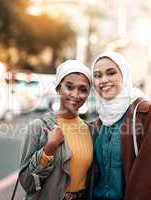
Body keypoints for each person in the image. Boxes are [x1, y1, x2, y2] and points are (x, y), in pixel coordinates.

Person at [91, 51, 151, 200]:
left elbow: (149, 174)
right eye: (97, 75)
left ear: (124, 75)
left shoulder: (144, 113)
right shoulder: (101, 120)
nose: (103, 80)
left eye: (111, 73)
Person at [19, 60, 95, 200]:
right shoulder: (38, 127)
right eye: (69, 87)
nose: (76, 94)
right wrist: (49, 148)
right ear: (58, 88)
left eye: (83, 89)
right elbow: (27, 183)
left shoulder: (92, 131)